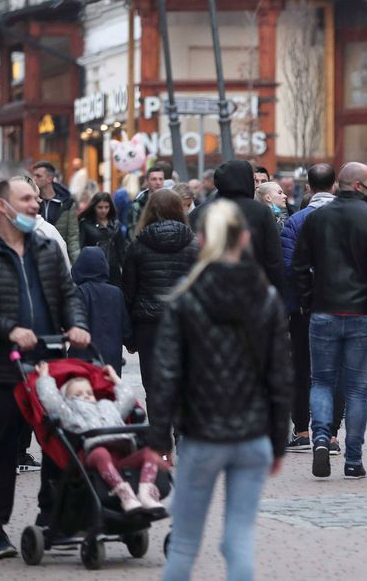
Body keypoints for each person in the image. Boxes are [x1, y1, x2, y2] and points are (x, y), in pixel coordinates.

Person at [150, 199, 291, 578]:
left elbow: (165, 375)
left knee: (183, 545)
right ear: (245, 238)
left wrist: (159, 441)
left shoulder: (186, 295)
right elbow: (280, 376)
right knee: (239, 539)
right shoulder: (266, 297)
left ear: (199, 239)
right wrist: (279, 440)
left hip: (201, 433)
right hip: (253, 433)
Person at [0, 176, 90, 559]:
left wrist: (76, 324)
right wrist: (9, 329)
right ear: (3, 206)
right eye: (26, 198)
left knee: (59, 443)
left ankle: (54, 520)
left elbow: (69, 294)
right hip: (1, 368)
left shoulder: (46, 248)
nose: (35, 203)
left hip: (49, 365)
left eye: (34, 198)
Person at [292, 162, 367, 479]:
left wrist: (308, 302)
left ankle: (320, 437)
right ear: (359, 185)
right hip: (363, 313)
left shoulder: (316, 219)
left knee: (321, 382)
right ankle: (354, 458)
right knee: (356, 389)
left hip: (324, 309)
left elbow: (299, 266)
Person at [32, 361, 164, 513]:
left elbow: (127, 400)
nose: (85, 397)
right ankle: (124, 492)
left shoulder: (107, 407)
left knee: (150, 453)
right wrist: (44, 378)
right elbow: (51, 401)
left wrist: (115, 379)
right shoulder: (69, 412)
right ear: (67, 400)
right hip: (93, 453)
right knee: (101, 454)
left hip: (122, 451)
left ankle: (146, 492)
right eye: (78, 395)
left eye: (89, 393)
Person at [279, 164, 339, 452]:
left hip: (304, 309)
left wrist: (305, 299)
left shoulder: (296, 221)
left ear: (309, 188)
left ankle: (303, 430)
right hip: (344, 304)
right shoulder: (350, 215)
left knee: (301, 367)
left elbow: (289, 266)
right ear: (334, 186)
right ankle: (334, 434)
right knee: (337, 370)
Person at [121, 190, 199, 400]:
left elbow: (128, 291)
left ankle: (158, 430)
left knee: (153, 385)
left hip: (148, 325)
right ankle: (181, 431)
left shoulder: (138, 245)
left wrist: (129, 336)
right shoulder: (194, 244)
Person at [195, 160, 286, 295]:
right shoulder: (261, 212)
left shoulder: (202, 211)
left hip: (209, 291)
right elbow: (274, 259)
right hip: (254, 291)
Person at [72, 246, 130, 371]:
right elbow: (125, 326)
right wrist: (131, 344)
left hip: (82, 356)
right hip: (111, 356)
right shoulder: (116, 293)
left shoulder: (77, 292)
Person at [30, 161, 81, 262]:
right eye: (33, 176)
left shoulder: (67, 202)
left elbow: (72, 237)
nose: (34, 179)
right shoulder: (31, 201)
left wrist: (76, 264)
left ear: (50, 178)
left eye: (38, 176)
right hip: (35, 256)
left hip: (59, 256)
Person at [78, 191, 124, 285]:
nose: (103, 210)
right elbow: (81, 248)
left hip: (113, 270)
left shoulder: (116, 225)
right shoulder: (85, 224)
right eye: (100, 207)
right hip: (93, 269)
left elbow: (121, 250)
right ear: (94, 207)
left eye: (107, 207)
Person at [128, 161, 171, 242]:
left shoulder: (170, 202)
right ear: (147, 181)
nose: (158, 183)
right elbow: (132, 233)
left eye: (161, 179)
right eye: (154, 179)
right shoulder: (137, 204)